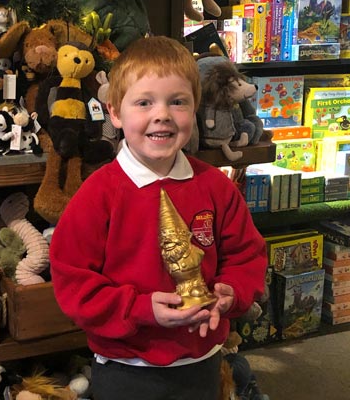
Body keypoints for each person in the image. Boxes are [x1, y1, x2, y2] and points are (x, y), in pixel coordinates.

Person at [49, 36, 267, 400]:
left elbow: (246, 255)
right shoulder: (97, 195)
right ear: (115, 112)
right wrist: (138, 308)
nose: (162, 114)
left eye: (177, 101)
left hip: (202, 361)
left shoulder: (215, 187)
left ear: (194, 107)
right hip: (126, 367)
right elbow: (74, 283)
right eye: (144, 102)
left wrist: (234, 292)